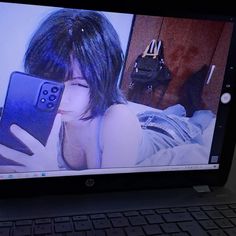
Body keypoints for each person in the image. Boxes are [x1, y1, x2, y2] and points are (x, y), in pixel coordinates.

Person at [0, 8, 215, 172]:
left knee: (197, 120)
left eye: (79, 84)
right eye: (51, 83)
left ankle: (193, 103)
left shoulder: (118, 120)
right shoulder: (46, 115)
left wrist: (48, 173)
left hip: (167, 132)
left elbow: (105, 201)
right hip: (143, 123)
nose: (61, 99)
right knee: (169, 113)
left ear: (104, 79)